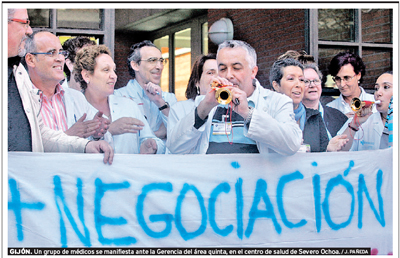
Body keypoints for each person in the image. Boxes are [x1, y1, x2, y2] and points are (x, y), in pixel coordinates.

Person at [8, 9, 113, 164]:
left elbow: (40, 135)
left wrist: (87, 144)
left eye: (61, 53)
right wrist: (71, 135)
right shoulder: (23, 83)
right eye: (25, 23)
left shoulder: (17, 77)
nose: (29, 30)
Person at [167, 40, 302, 155]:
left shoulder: (277, 101)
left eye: (236, 68)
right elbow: (175, 147)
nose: (228, 75)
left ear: (253, 71)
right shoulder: (203, 104)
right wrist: (205, 107)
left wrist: (247, 113)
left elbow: (291, 145)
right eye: (223, 69)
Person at [74, 45, 165, 154]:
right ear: (87, 75)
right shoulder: (74, 108)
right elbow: (69, 148)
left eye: (114, 70)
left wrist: (151, 145)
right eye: (106, 70)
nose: (114, 76)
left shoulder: (128, 105)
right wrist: (110, 130)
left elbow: (153, 140)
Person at [24, 30, 109, 140]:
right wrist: (68, 136)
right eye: (51, 53)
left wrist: (97, 133)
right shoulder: (18, 99)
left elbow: (97, 141)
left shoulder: (76, 98)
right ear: (31, 60)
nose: (60, 59)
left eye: (61, 52)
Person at [114, 40, 177, 139]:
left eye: (161, 61)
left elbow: (179, 133)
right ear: (135, 65)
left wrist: (160, 103)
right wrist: (158, 134)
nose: (159, 66)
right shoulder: (117, 97)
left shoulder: (168, 98)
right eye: (152, 60)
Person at [168, 53, 217, 142]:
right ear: (197, 82)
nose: (217, 77)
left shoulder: (231, 107)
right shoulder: (179, 109)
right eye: (210, 73)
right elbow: (174, 146)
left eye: (221, 72)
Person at [339, 71, 393, 151]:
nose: (378, 93)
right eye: (376, 88)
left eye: (386, 87)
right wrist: (354, 123)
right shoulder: (364, 122)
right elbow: (337, 153)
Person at [327, 52, 376, 117]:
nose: (342, 84)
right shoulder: (329, 109)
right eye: (338, 79)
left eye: (346, 78)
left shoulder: (375, 103)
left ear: (358, 75)